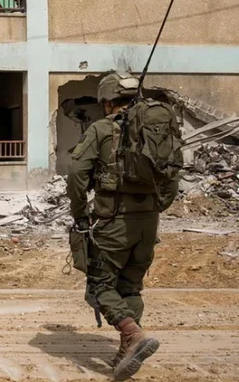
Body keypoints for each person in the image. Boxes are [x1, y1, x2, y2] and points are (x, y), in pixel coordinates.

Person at [66, 72, 181, 380]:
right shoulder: (155, 132)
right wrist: (157, 208)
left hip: (113, 222)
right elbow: (173, 175)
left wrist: (80, 213)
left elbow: (77, 173)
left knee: (100, 284)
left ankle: (132, 334)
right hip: (148, 222)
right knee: (129, 286)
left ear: (107, 103)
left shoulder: (102, 129)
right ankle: (125, 350)